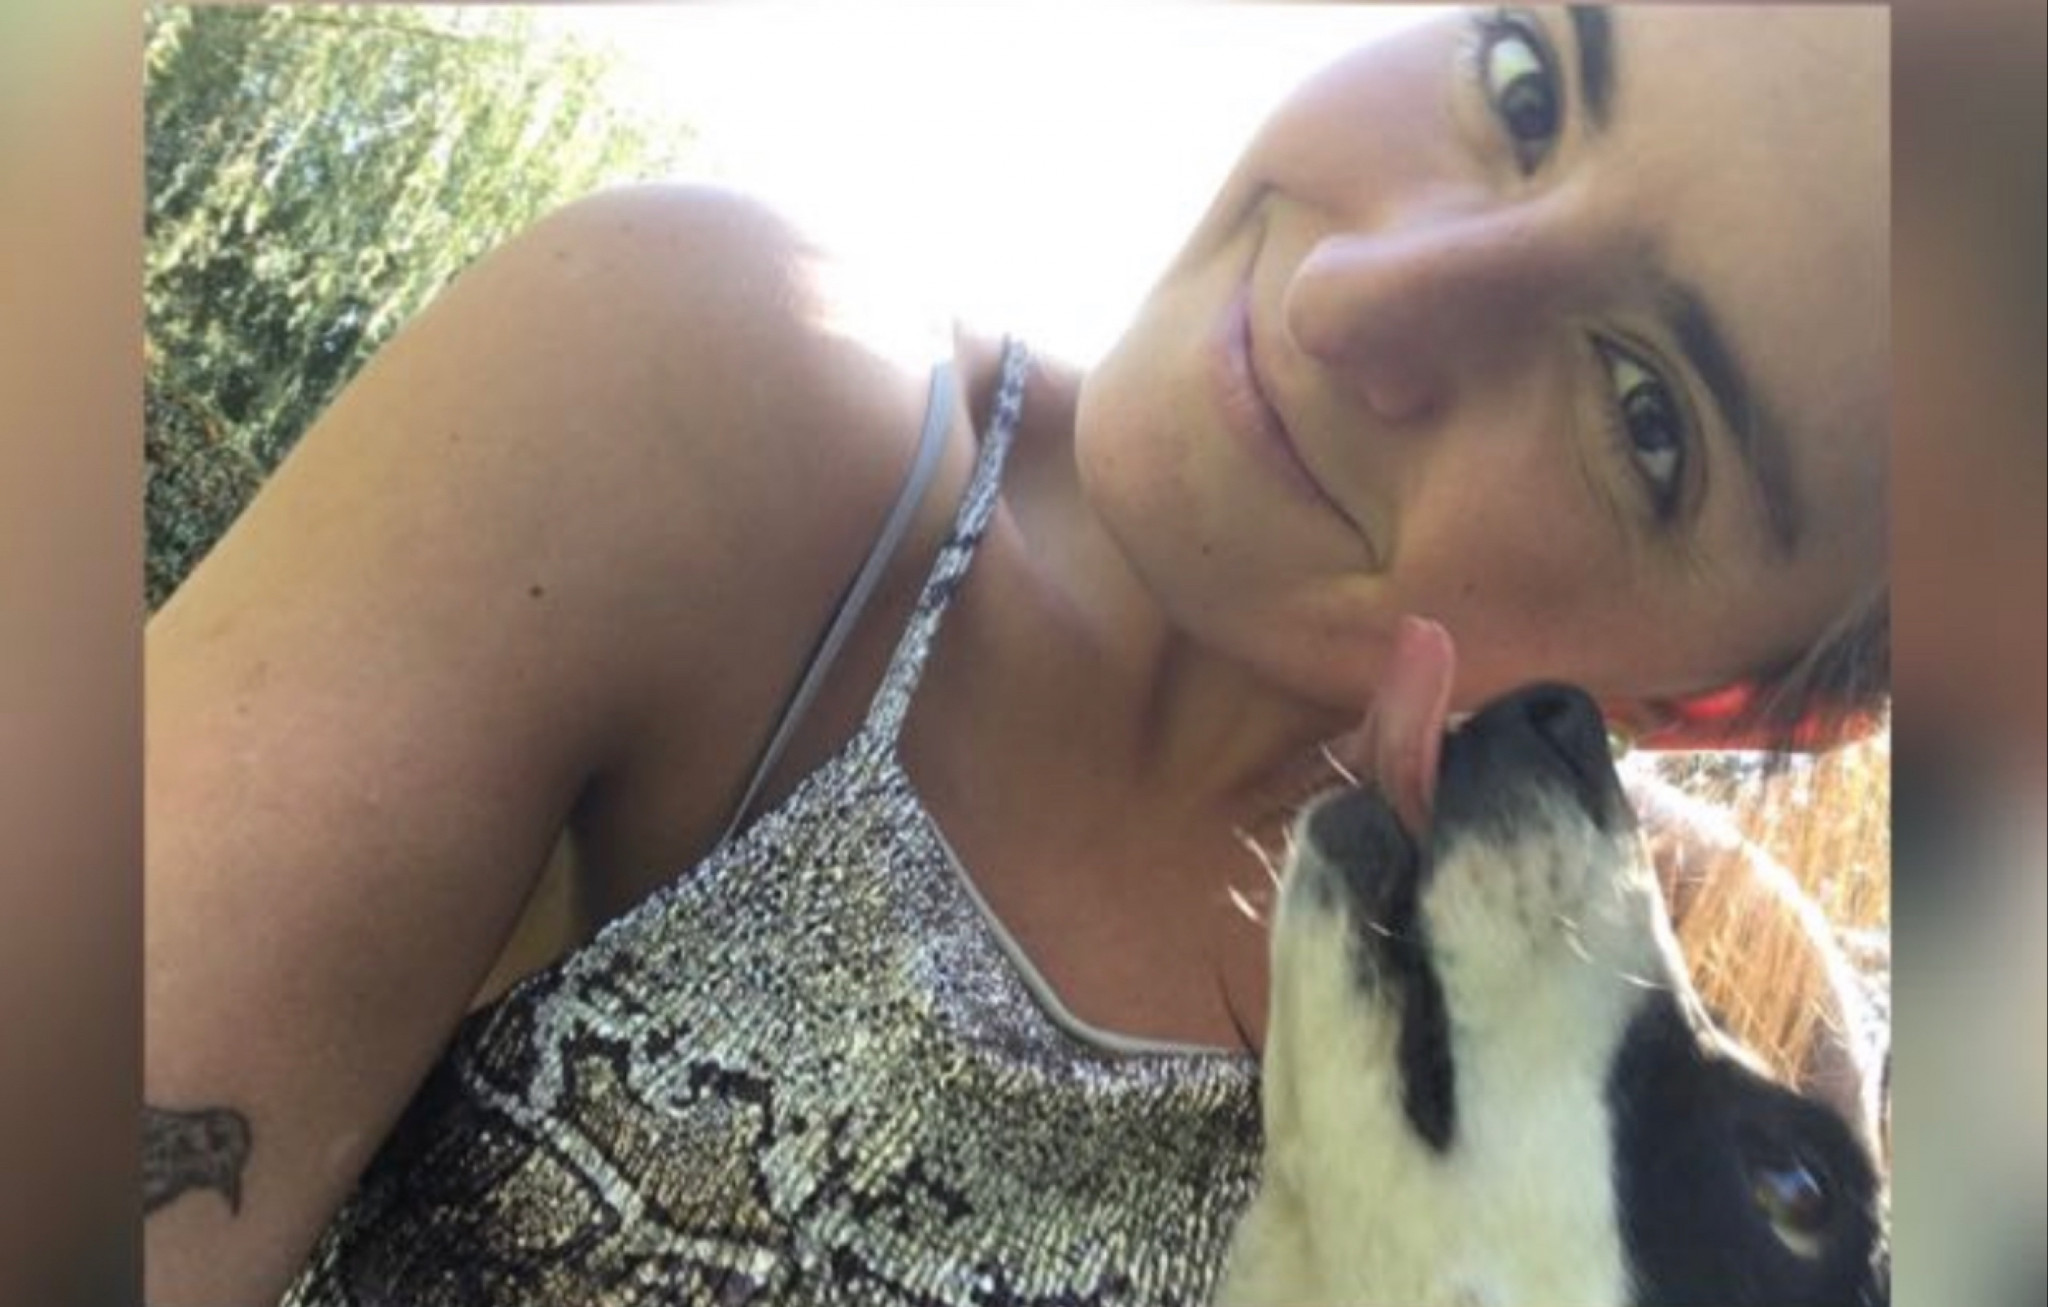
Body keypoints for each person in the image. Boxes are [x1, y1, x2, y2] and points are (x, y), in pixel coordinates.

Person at [143, 7, 1889, 1304]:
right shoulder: (718, 413)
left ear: (1722, 696)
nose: (1352, 298)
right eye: (1523, 86)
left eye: (1643, 413)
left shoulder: (1737, 1066)